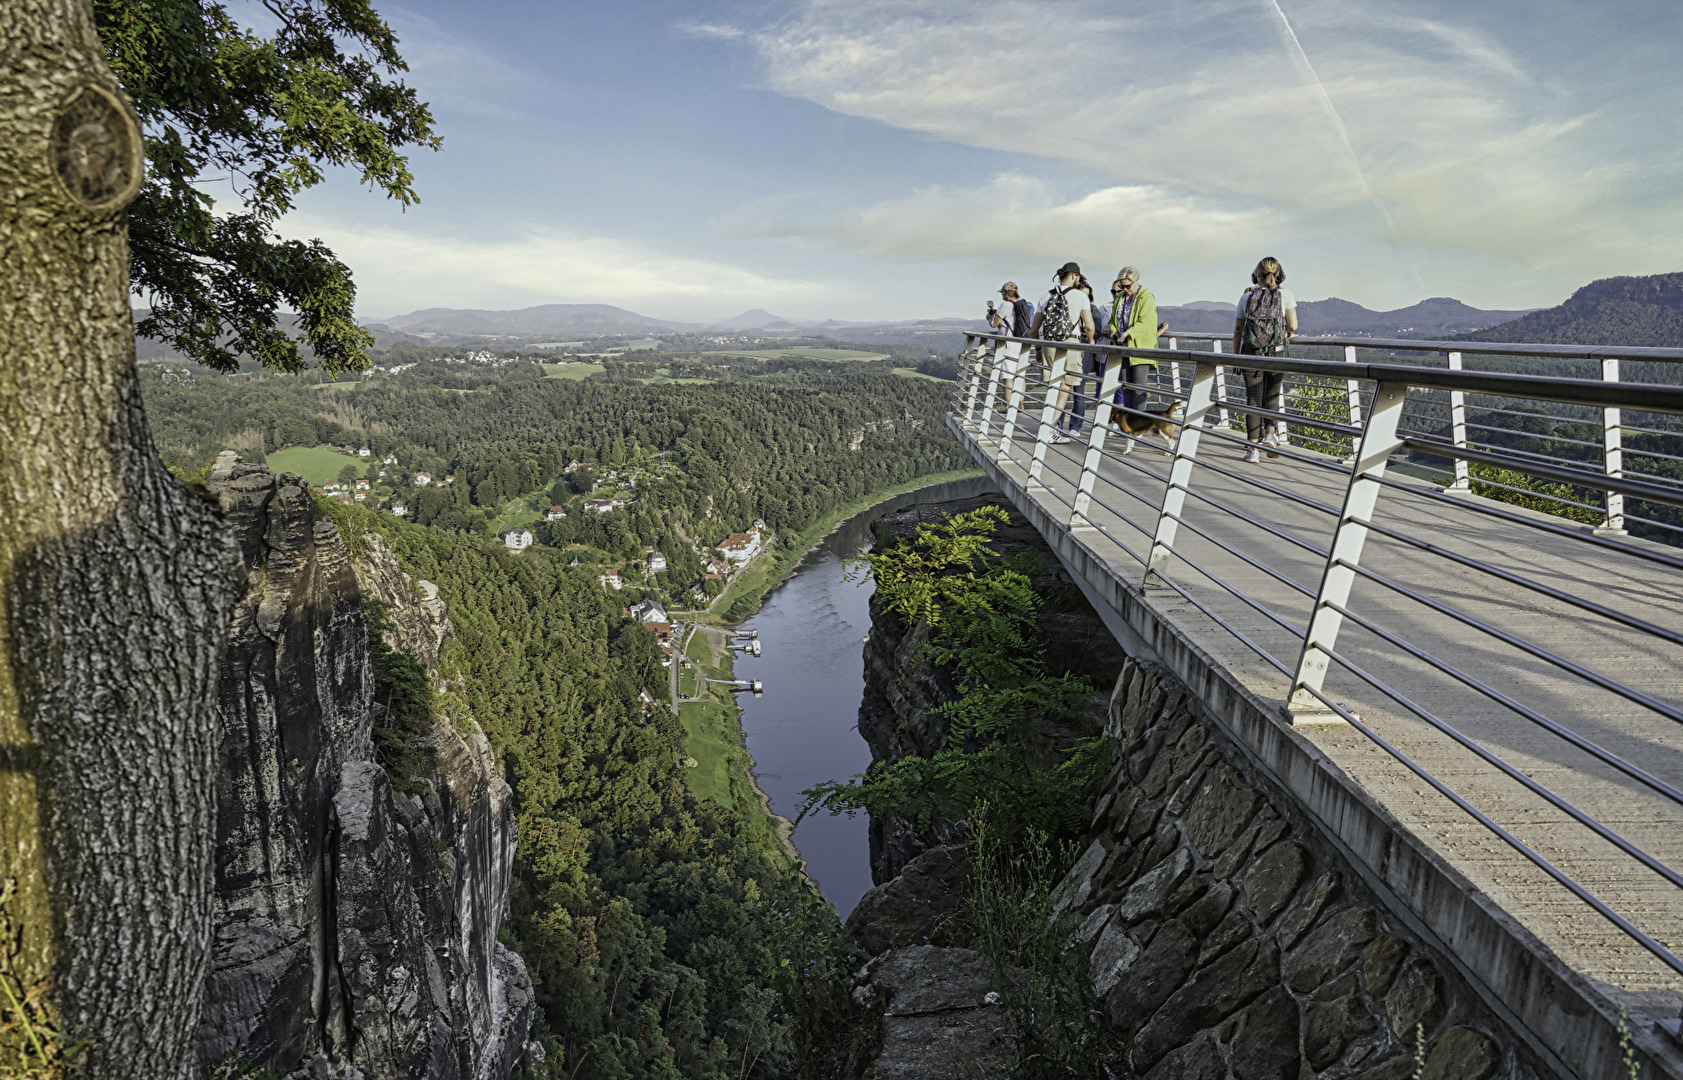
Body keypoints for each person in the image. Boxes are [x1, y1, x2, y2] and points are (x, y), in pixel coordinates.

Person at [1232, 256, 1299, 463]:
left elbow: (1237, 330)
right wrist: (1288, 331)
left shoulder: (1247, 297)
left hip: (1251, 353)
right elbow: (1293, 325)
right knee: (1272, 396)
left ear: (1257, 274)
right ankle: (1271, 435)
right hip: (1276, 353)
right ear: (1278, 274)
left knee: (1253, 399)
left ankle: (1253, 449)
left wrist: (1237, 358)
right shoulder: (1285, 295)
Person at [1030, 262, 1096, 445]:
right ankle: (1048, 429)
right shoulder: (1080, 296)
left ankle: (1049, 427)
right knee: (1066, 387)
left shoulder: (1046, 296)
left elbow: (1034, 330)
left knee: (1053, 386)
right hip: (1072, 343)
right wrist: (1089, 343)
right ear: (1074, 276)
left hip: (1049, 344)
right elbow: (1089, 326)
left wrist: (1037, 350)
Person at [1107, 266, 1159, 427]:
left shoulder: (1146, 297)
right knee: (1126, 387)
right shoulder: (1121, 297)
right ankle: (1128, 423)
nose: (1124, 289)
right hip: (1122, 348)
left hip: (1140, 349)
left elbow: (1146, 322)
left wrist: (1128, 333)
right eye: (1122, 286)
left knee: (1139, 389)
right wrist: (1113, 330)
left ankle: (1138, 424)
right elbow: (1112, 320)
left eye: (1127, 286)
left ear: (1136, 282)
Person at [985, 281, 1034, 416]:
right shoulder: (1023, 304)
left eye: (1002, 292)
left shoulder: (1005, 305)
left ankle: (1008, 405)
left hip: (1009, 344)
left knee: (1008, 375)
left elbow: (994, 324)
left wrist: (990, 316)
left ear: (1006, 293)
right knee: (1020, 374)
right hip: (1022, 342)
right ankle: (1020, 403)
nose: (1002, 295)